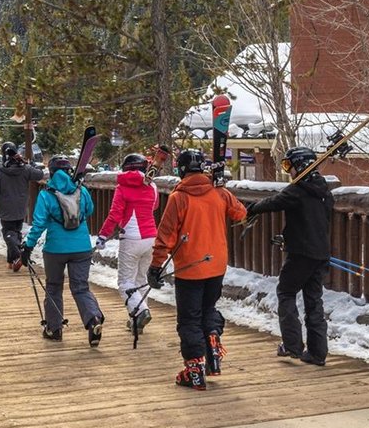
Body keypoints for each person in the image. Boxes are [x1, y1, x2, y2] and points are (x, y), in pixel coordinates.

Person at [149, 148, 247, 390]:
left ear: (181, 170)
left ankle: (194, 369)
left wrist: (156, 265)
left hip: (190, 267)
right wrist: (222, 187)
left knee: (189, 318)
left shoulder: (179, 197)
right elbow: (240, 213)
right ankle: (212, 342)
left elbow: (166, 235)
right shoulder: (219, 192)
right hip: (216, 265)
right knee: (208, 309)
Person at [244, 146, 333, 366]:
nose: (289, 171)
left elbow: (273, 202)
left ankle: (292, 345)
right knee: (314, 301)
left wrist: (251, 208)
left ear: (300, 166)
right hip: (321, 253)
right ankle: (317, 352)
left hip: (301, 254)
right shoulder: (324, 191)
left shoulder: (297, 190)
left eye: (289, 166)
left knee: (286, 292)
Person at [21, 156, 104, 347]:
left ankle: (54, 328)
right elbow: (89, 210)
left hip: (55, 249)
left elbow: (39, 223)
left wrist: (28, 246)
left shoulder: (46, 194)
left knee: (54, 287)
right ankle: (93, 319)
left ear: (51, 173)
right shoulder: (81, 190)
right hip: (81, 247)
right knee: (81, 287)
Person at [96, 152, 159, 332]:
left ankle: (140, 311)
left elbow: (115, 214)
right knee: (141, 279)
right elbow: (154, 206)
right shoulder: (152, 185)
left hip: (131, 238)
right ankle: (136, 321)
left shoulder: (122, 187)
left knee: (125, 282)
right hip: (151, 237)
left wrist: (103, 235)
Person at [0, 141, 45, 271]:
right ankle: (12, 262)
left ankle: (18, 255)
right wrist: (29, 164)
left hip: (5, 207)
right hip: (21, 207)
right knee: (16, 232)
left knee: (8, 233)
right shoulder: (25, 169)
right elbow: (39, 175)